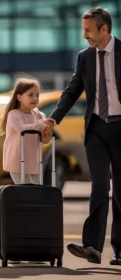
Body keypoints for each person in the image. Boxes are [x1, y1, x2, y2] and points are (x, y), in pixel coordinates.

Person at [46, 7, 121, 265]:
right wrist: (53, 117)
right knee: (99, 186)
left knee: (120, 190)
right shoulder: (84, 57)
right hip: (97, 128)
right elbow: (72, 90)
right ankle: (93, 247)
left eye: (88, 30)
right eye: (83, 30)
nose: (85, 36)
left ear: (104, 29)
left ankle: (119, 249)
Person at [0, 77, 51, 186]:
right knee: (27, 190)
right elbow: (22, 128)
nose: (35, 98)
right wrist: (39, 125)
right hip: (18, 162)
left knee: (35, 191)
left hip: (33, 162)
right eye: (30, 95)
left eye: (37, 95)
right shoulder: (14, 114)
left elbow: (44, 136)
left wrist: (48, 128)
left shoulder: (38, 114)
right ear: (19, 97)